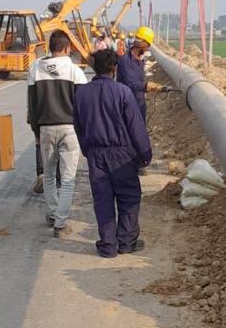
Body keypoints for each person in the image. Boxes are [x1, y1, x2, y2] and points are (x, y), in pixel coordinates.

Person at [73, 48, 152, 258]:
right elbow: (136, 127)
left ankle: (108, 245)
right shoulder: (123, 92)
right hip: (122, 154)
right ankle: (126, 242)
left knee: (103, 199)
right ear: (114, 68)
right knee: (128, 197)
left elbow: (78, 126)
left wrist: (87, 151)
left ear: (95, 68)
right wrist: (145, 154)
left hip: (96, 155)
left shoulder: (81, 93)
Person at [27, 30, 86, 236]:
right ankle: (60, 224)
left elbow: (32, 106)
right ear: (67, 48)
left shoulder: (35, 68)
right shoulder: (75, 71)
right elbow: (84, 106)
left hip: (45, 128)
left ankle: (52, 214)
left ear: (49, 48)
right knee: (68, 179)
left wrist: (36, 131)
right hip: (70, 129)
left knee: (49, 175)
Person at [116, 24, 154, 123]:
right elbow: (131, 84)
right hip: (128, 106)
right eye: (147, 46)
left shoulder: (140, 60)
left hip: (139, 103)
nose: (147, 49)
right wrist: (147, 86)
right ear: (143, 44)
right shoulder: (125, 61)